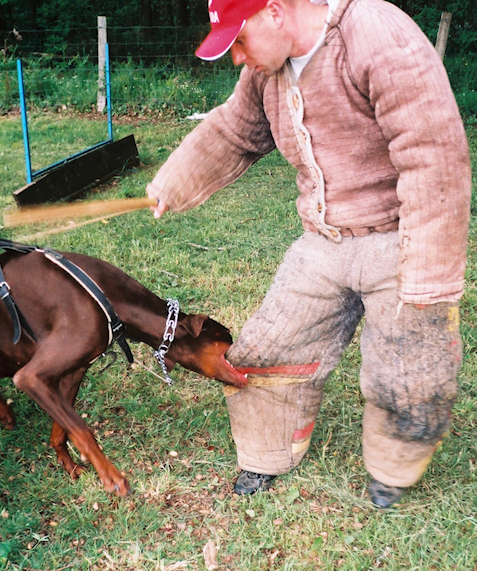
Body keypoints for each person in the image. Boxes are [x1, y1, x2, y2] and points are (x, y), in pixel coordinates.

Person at [146, 0, 471, 508]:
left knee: (409, 370)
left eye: (240, 41)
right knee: (264, 352)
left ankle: (392, 471)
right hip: (323, 243)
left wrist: (428, 275)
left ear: (275, 12)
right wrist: (172, 182)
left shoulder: (374, 32)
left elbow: (433, 154)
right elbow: (233, 130)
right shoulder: (266, 72)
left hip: (399, 239)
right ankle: (266, 454)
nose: (237, 58)